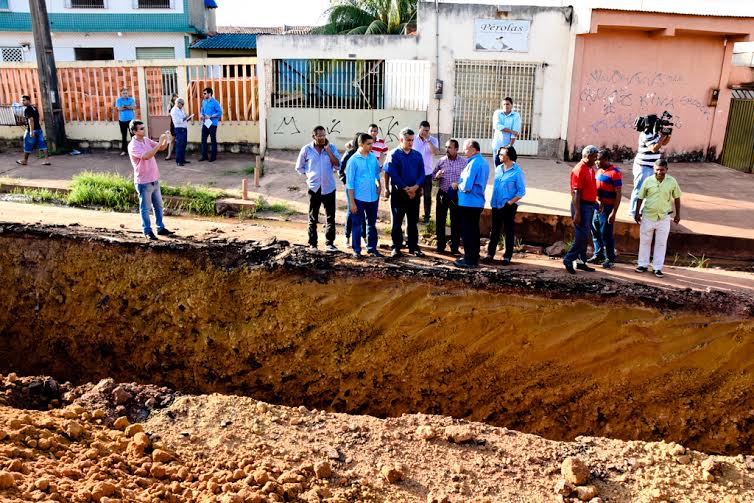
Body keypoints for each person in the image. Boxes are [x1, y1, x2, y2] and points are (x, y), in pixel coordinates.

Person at [295, 126, 341, 252]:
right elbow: (299, 167)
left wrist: (328, 150)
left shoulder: (331, 148)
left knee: (330, 217)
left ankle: (329, 243)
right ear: (314, 136)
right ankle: (313, 244)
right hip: (314, 188)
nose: (322, 138)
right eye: (319, 136)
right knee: (313, 217)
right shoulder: (307, 149)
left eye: (324, 135)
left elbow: (338, 165)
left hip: (329, 188)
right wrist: (310, 176)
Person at [634, 159, 682, 279]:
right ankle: (642, 265)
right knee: (645, 241)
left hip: (664, 217)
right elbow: (640, 197)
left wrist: (678, 215)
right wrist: (637, 213)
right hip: (648, 216)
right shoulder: (648, 180)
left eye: (662, 170)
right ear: (654, 169)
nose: (659, 172)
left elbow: (677, 198)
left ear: (667, 169)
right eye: (657, 170)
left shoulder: (672, 182)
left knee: (661, 243)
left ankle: (657, 268)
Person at [127, 120, 174, 241]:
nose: (144, 129)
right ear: (134, 131)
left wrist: (166, 140)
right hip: (143, 181)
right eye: (141, 128)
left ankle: (160, 228)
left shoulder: (146, 140)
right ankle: (147, 231)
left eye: (143, 127)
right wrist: (159, 144)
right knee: (145, 208)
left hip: (154, 179)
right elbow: (147, 156)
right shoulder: (133, 145)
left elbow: (161, 148)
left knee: (158, 206)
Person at [384, 127, 425, 258]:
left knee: (413, 222)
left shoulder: (417, 155)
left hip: (414, 194)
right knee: (397, 221)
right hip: (399, 194)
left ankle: (413, 246)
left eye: (412, 140)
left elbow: (422, 173)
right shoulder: (394, 154)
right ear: (401, 139)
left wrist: (416, 187)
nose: (411, 143)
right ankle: (396, 246)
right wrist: (406, 188)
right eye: (408, 140)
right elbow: (393, 174)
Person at [483, 146, 526, 265]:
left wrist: (509, 203)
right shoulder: (498, 169)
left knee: (509, 231)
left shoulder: (517, 172)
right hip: (496, 205)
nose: (499, 156)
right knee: (494, 230)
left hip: (508, 206)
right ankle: (490, 254)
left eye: (501, 154)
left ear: (508, 156)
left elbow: (521, 191)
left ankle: (507, 256)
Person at [563, 145, 599, 274]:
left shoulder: (590, 169)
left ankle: (581, 261)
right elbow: (576, 192)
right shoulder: (580, 169)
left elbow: (590, 188)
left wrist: (595, 202)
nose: (596, 160)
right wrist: (577, 212)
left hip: (588, 205)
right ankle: (569, 258)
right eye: (594, 157)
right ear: (588, 156)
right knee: (581, 235)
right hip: (580, 205)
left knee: (585, 234)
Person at [346, 133, 383, 258]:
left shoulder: (372, 157)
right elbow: (349, 184)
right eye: (368, 144)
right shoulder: (353, 161)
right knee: (356, 224)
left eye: (372, 143)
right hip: (358, 198)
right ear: (360, 144)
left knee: (372, 224)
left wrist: (379, 185)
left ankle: (372, 248)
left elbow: (376, 175)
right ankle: (356, 250)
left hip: (373, 197)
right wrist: (352, 202)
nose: (371, 146)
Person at [454, 139, 490, 268]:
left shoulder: (474, 163)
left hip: (469, 202)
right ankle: (473, 256)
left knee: (468, 231)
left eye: (466, 148)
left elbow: (467, 186)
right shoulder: (483, 162)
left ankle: (469, 259)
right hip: (476, 202)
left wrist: (457, 185)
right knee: (473, 231)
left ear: (474, 150)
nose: (464, 151)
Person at [628, 119, 670, 217]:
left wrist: (667, 135)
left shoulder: (657, 134)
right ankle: (633, 211)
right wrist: (662, 137)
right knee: (639, 189)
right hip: (643, 167)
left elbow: (664, 143)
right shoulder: (645, 134)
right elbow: (654, 149)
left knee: (650, 190)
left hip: (653, 167)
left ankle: (643, 211)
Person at [588, 149, 622, 269]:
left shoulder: (615, 173)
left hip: (607, 208)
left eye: (599, 159)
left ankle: (610, 258)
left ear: (606, 160)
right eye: (596, 159)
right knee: (595, 232)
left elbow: (619, 194)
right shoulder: (599, 172)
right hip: (597, 207)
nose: (596, 161)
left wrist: (613, 212)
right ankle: (598, 255)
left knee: (606, 234)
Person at [432, 139, 466, 254]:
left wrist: (460, 186)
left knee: (455, 221)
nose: (447, 150)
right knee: (440, 220)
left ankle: (455, 247)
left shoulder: (463, 162)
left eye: (450, 147)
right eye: (446, 147)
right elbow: (432, 177)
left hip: (456, 195)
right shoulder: (441, 161)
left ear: (456, 149)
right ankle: (440, 246)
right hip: (443, 193)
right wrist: (437, 176)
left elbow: (467, 179)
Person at [339, 132, 366, 248]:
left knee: (363, 213)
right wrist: (346, 182)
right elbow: (341, 169)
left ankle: (364, 236)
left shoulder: (367, 154)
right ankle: (347, 236)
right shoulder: (350, 153)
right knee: (352, 211)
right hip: (351, 189)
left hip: (364, 189)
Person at [413, 120, 440, 224]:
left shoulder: (433, 140)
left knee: (427, 197)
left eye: (427, 131)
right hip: (415, 173)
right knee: (415, 196)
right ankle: (414, 217)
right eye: (424, 130)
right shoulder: (413, 139)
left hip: (427, 173)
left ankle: (427, 217)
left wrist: (428, 140)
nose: (425, 133)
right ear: (419, 129)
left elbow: (435, 153)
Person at [16, 95, 50, 166]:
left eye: (24, 100)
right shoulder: (34, 108)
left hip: (31, 130)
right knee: (42, 144)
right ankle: (47, 160)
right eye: (22, 100)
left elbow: (31, 120)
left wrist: (31, 131)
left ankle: (25, 160)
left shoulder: (27, 109)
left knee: (27, 144)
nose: (22, 102)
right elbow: (37, 117)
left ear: (28, 100)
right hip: (38, 129)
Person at [491, 97, 521, 165]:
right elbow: (497, 126)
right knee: (498, 167)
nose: (506, 106)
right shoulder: (497, 113)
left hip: (508, 147)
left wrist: (509, 146)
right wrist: (511, 131)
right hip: (497, 146)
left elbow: (515, 132)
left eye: (507, 104)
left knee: (508, 167)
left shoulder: (516, 116)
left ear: (511, 105)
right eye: (504, 104)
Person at [199, 87, 222, 162]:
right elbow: (202, 111)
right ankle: (204, 156)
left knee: (213, 140)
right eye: (203, 93)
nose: (204, 95)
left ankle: (213, 156)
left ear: (209, 93)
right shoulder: (204, 101)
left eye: (205, 93)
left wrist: (211, 116)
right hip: (206, 123)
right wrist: (201, 115)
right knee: (203, 140)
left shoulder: (215, 102)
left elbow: (220, 112)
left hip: (212, 124)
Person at [170, 98, 194, 167]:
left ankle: (183, 159)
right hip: (179, 129)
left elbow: (184, 118)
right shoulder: (174, 110)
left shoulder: (181, 109)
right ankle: (178, 161)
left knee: (183, 145)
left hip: (184, 128)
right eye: (182, 104)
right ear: (178, 103)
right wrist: (185, 118)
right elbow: (178, 121)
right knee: (179, 145)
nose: (182, 106)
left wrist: (188, 118)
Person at [116, 88, 136, 157]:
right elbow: (119, 109)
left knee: (133, 136)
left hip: (131, 120)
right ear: (121, 94)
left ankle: (135, 150)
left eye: (126, 93)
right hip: (122, 121)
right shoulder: (118, 100)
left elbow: (133, 107)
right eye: (124, 93)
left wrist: (125, 106)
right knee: (124, 136)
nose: (125, 95)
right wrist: (129, 107)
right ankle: (124, 150)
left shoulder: (132, 99)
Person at [165, 93, 179, 161]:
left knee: (179, 140)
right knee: (171, 140)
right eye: (174, 97)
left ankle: (178, 155)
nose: (175, 98)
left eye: (176, 97)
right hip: (173, 124)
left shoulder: (180, 105)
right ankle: (169, 155)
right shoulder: (170, 105)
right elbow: (168, 114)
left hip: (179, 124)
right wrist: (173, 113)